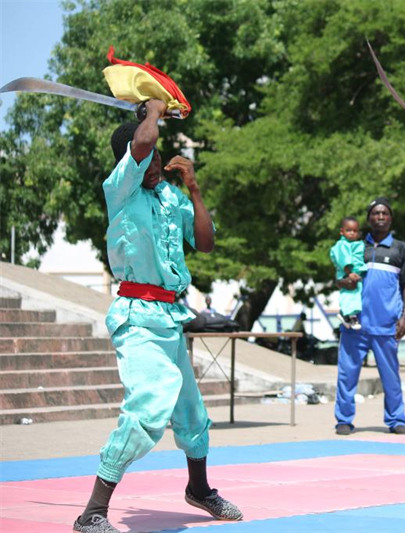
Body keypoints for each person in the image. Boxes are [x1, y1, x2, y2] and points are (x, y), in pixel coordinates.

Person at [73, 99, 242, 533]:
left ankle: (199, 489)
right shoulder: (121, 188)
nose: (153, 163)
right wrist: (151, 112)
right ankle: (92, 512)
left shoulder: (169, 195)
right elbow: (144, 138)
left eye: (156, 158)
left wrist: (194, 189)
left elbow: (204, 244)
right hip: (137, 317)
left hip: (170, 316)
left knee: (191, 412)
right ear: (132, 158)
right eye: (144, 156)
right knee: (148, 407)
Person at [334, 197, 405, 436]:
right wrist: (344, 281)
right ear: (369, 218)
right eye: (375, 213)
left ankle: (396, 420)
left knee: (391, 376)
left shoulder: (401, 249)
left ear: (390, 218)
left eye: (385, 213)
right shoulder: (356, 246)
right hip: (355, 324)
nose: (380, 217)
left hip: (386, 325)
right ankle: (343, 420)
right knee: (346, 374)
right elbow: (339, 279)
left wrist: (404, 317)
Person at [329, 216, 366, 330]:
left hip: (355, 274)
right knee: (351, 295)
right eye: (348, 230)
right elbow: (343, 260)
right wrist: (349, 273)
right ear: (342, 231)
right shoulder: (342, 244)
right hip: (347, 274)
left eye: (354, 231)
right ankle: (352, 317)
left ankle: (345, 315)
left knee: (355, 295)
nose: (351, 233)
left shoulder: (355, 244)